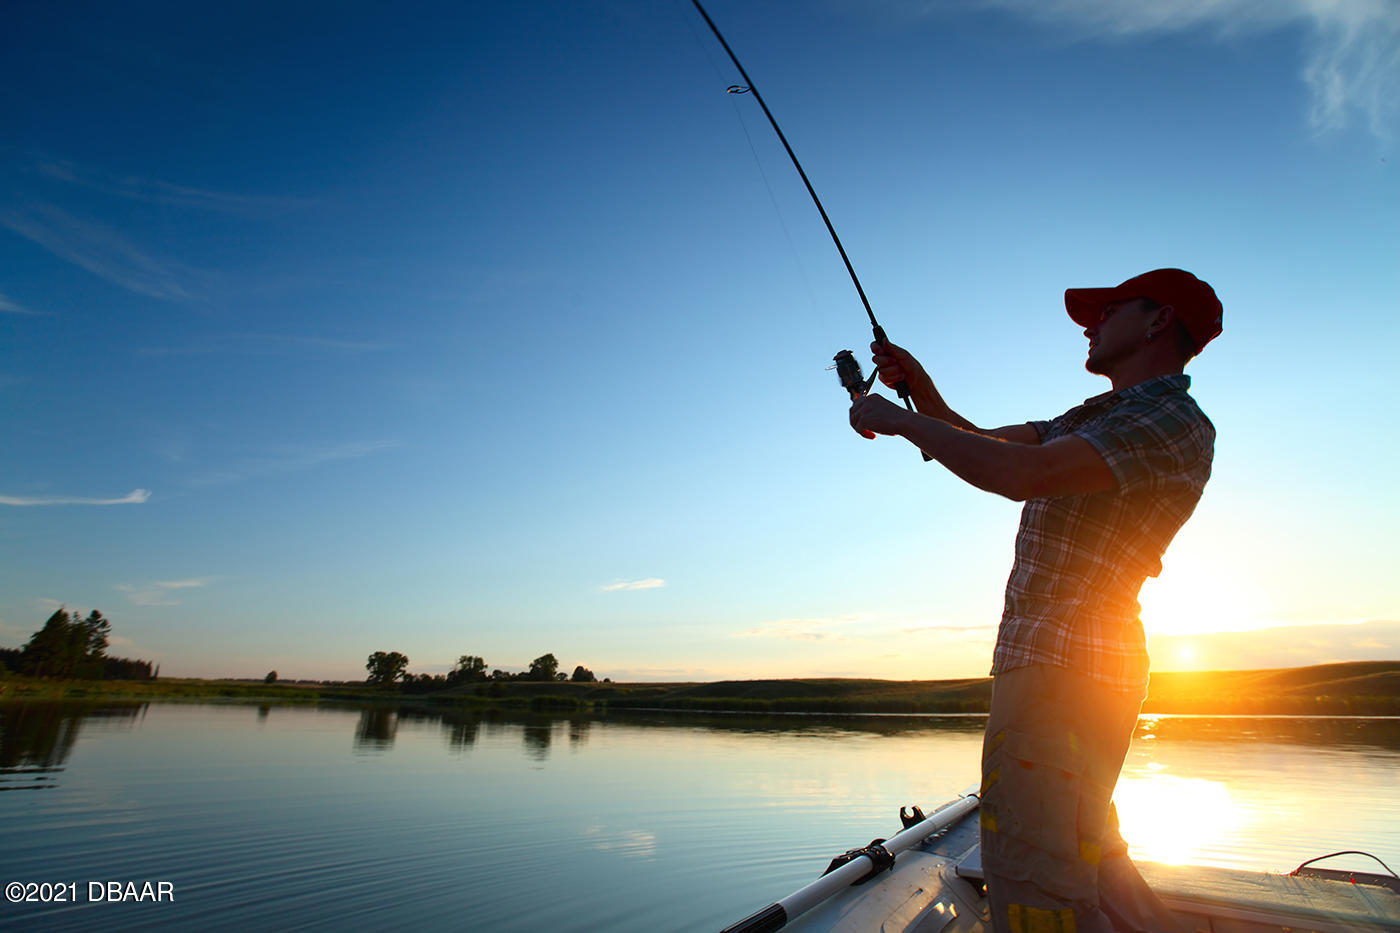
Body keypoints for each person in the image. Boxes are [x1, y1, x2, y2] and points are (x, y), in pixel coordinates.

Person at [849, 268, 1222, 933]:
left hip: (1063, 673)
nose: (1090, 323)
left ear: (1160, 320)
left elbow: (1019, 474)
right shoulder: (1095, 416)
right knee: (1092, 852)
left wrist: (894, 420)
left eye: (1107, 311)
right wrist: (920, 392)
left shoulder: (1170, 420)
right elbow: (986, 443)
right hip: (1066, 670)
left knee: (1033, 878)